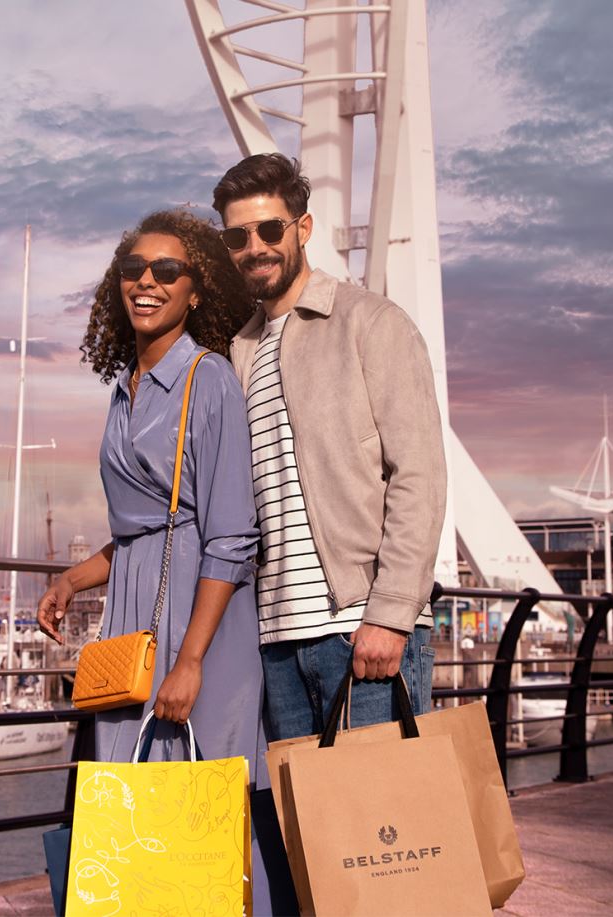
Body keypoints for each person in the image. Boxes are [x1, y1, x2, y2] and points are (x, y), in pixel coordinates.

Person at [36, 210, 283, 913]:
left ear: (196, 291)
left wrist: (193, 659)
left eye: (167, 271)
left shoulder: (209, 382)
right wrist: (74, 577)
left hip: (200, 623)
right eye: (135, 269)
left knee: (205, 806)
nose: (148, 282)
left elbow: (231, 533)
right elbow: (148, 527)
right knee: (134, 800)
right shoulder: (124, 388)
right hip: (131, 622)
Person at [213, 153, 448, 741]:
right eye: (238, 236)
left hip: (361, 632)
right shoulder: (239, 352)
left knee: (386, 826)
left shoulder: (371, 323)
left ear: (303, 228)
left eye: (270, 229)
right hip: (274, 645)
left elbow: (419, 474)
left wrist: (391, 616)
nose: (255, 247)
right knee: (306, 833)